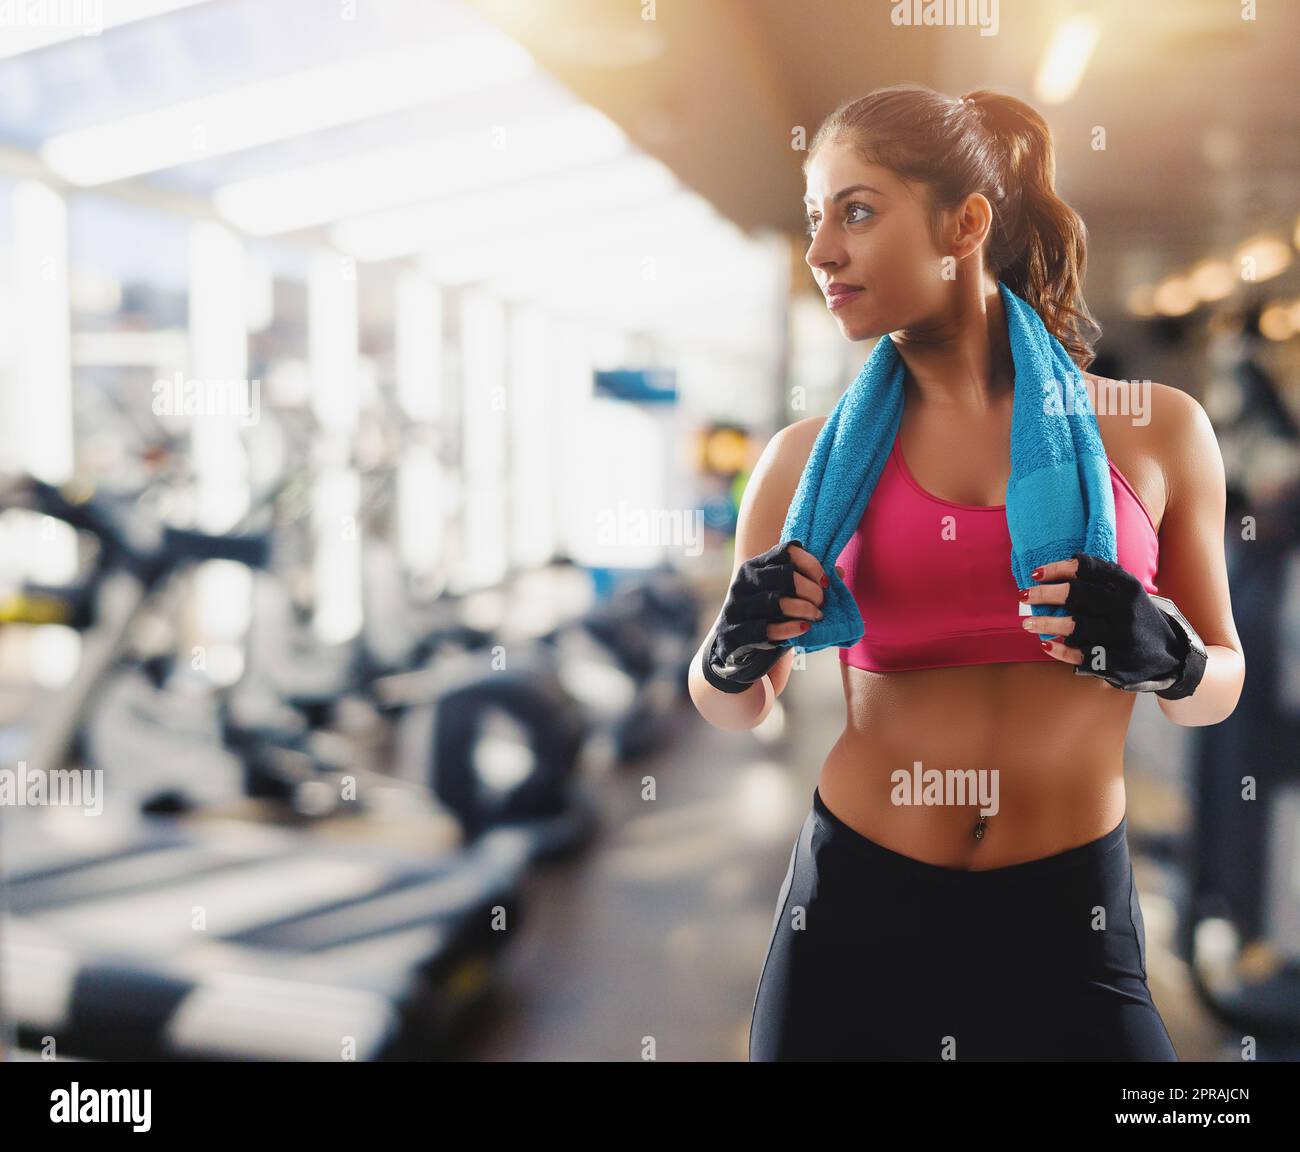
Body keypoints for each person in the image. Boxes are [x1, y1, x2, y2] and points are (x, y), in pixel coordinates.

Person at [688, 84, 1245, 1061]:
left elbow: (1215, 693)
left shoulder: (1153, 430)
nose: (822, 251)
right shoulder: (799, 462)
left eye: (856, 211)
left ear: (965, 223)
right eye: (816, 218)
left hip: (1068, 913)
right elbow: (737, 704)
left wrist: (1176, 662)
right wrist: (729, 656)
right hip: (854, 908)